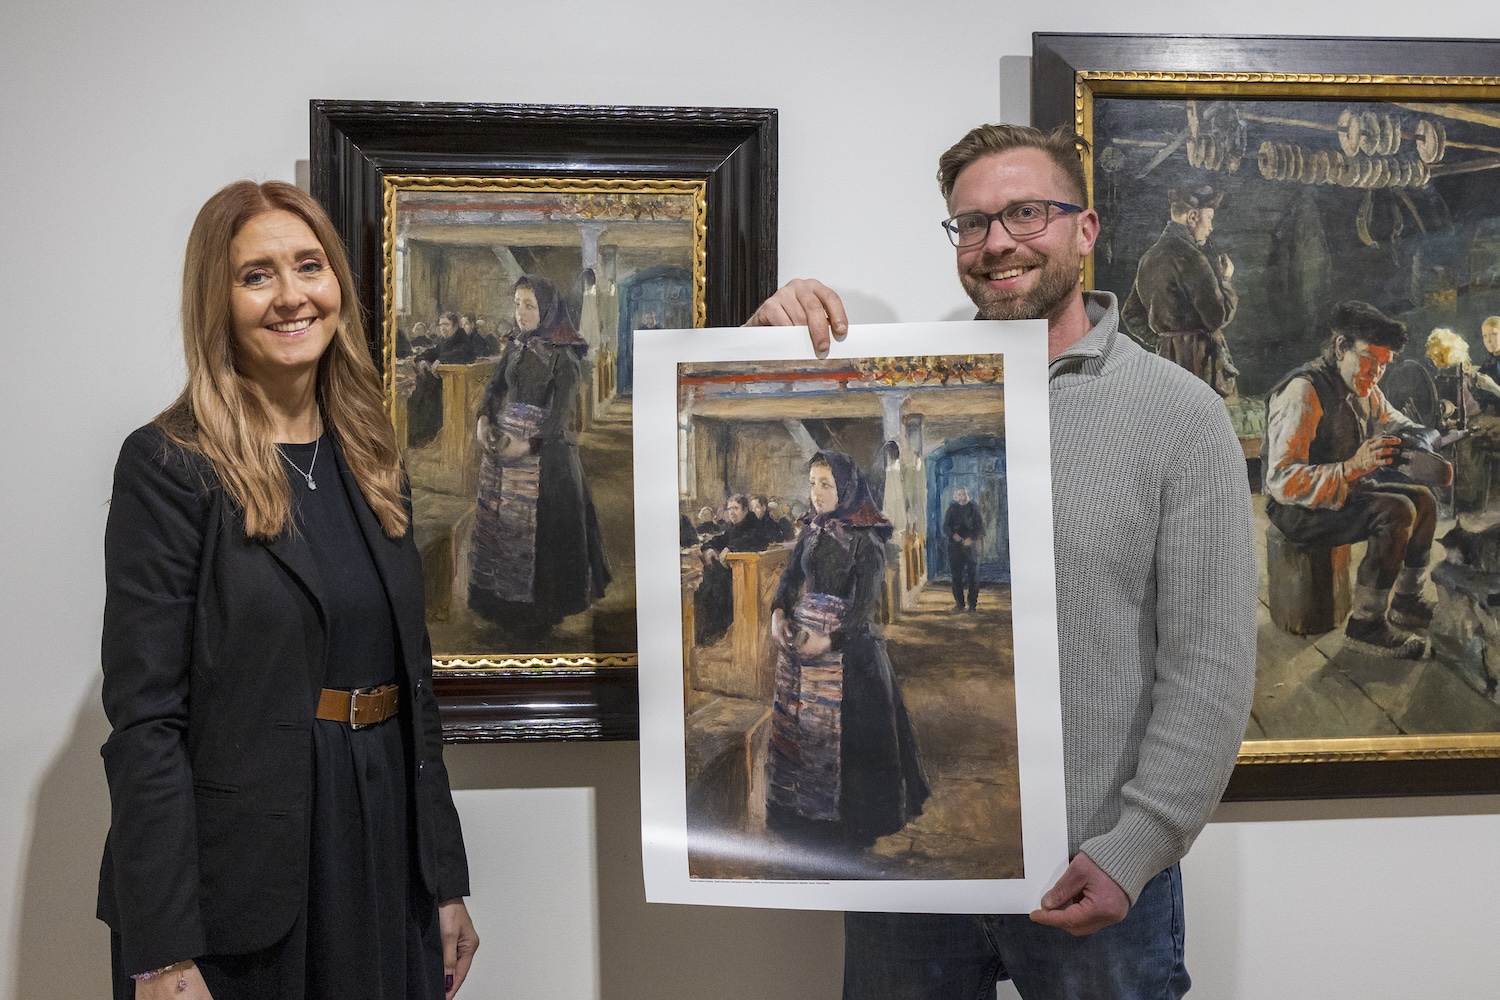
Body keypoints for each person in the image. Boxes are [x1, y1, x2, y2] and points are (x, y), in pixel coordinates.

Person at [745, 123, 1256, 999]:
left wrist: (1138, 845)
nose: (997, 243)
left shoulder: (1180, 414)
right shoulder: (910, 373)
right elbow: (801, 437)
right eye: (972, 224)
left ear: (1086, 229)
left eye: (1027, 212)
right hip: (913, 883)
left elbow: (1208, 664)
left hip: (1098, 872)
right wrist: (763, 346)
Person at [98, 180, 477, 1000]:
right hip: (237, 883)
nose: (292, 296)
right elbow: (145, 722)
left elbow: (419, 685)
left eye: (309, 266)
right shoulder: (168, 467)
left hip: (381, 847)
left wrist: (444, 880)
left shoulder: (373, 459)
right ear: (218, 302)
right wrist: (162, 953)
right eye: (257, 275)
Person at [766, 452, 929, 868]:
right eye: (812, 483)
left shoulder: (865, 541)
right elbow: (789, 581)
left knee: (851, 747)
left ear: (845, 490)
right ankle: (802, 817)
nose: (817, 493)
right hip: (803, 652)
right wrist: (779, 613)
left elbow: (864, 609)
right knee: (801, 734)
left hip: (851, 653)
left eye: (826, 484)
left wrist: (829, 640)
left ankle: (849, 829)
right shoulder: (811, 532)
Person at [1264, 301, 1436, 657]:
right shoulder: (1302, 391)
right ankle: (1366, 623)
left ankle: (1407, 600)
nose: (1375, 374)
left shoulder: (1364, 386)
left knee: (1425, 500)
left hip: (1342, 488)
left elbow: (1393, 420)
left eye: (1384, 367)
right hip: (1297, 508)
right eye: (1370, 361)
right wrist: (1351, 468)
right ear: (1341, 347)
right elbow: (1281, 480)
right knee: (1397, 511)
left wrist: (1429, 436)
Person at [468, 274, 610, 636]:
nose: (520, 313)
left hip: (548, 457)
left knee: (544, 537)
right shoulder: (515, 347)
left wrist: (527, 446)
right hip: (505, 452)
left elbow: (560, 417)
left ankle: (541, 611)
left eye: (529, 306)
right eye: (517, 304)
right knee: (504, 529)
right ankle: (503, 602)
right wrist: (484, 419)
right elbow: (495, 387)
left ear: (546, 310)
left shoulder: (564, 357)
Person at [1121, 184, 1240, 397]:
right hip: (1200, 366)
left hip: (1165, 365)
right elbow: (1217, 317)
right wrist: (1226, 280)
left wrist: (1166, 340)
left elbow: (1130, 315)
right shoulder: (1193, 258)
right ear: (1193, 217)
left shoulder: (1149, 258)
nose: (1211, 227)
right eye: (1209, 218)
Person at [692, 494, 767, 645]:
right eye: (729, 509)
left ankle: (716, 634)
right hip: (729, 579)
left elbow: (755, 540)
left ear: (745, 510)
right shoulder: (734, 528)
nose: (731, 512)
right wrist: (709, 548)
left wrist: (730, 548)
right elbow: (718, 540)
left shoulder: (755, 526)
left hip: (746, 579)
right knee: (702, 592)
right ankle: (707, 636)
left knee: (713, 589)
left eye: (735, 508)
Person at [943, 486, 984, 611]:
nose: (962, 497)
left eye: (964, 494)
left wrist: (971, 539)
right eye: (959, 494)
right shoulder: (952, 509)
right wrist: (953, 535)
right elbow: (946, 527)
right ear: (956, 497)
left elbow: (980, 529)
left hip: (970, 547)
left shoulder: (974, 509)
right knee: (956, 577)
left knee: (973, 576)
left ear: (968, 496)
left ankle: (972, 605)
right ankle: (960, 604)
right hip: (955, 547)